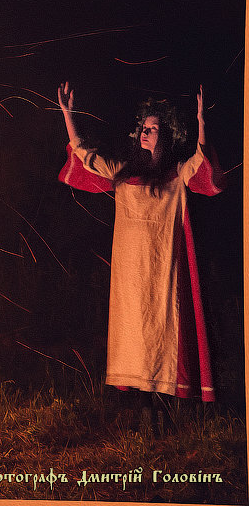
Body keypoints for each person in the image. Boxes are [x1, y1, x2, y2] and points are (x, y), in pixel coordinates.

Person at [57, 82, 224, 420]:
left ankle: (163, 408)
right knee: (133, 334)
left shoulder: (175, 175)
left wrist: (202, 122)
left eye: (153, 128)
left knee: (161, 334)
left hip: (163, 272)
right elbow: (85, 156)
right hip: (129, 276)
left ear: (168, 136)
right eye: (143, 128)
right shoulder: (123, 173)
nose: (145, 132)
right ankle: (143, 408)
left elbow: (203, 166)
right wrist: (68, 115)